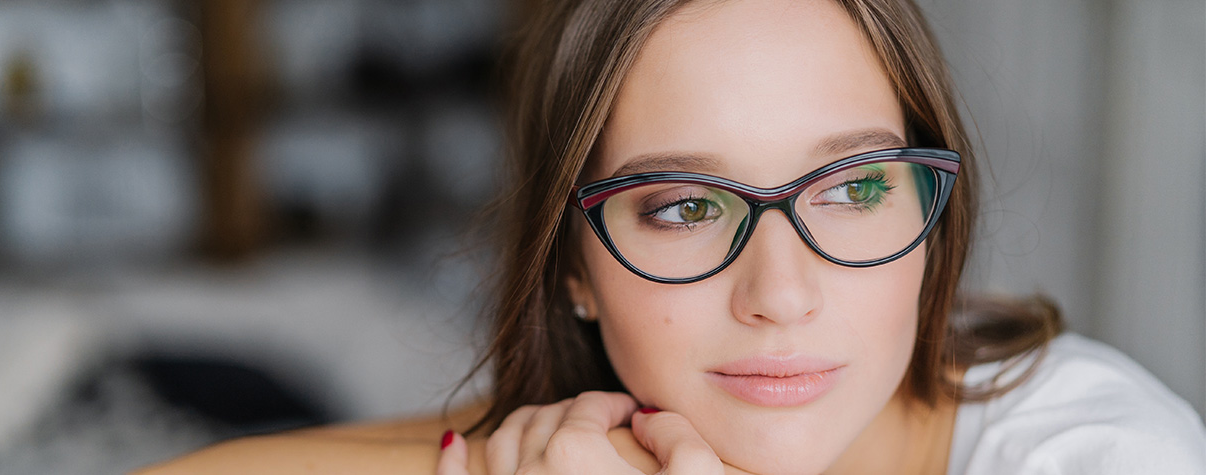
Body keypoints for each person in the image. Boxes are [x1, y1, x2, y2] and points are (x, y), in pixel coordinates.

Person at [139, 0, 1206, 473]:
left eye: (851, 187)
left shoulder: (1107, 459)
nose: (779, 293)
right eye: (687, 207)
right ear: (574, 270)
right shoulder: (609, 433)